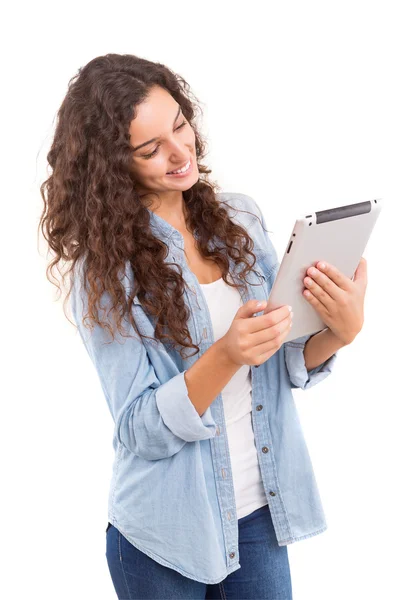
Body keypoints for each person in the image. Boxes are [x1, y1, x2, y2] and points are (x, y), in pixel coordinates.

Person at [39, 53, 366, 600]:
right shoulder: (103, 271)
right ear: (112, 165)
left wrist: (340, 331)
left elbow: (283, 362)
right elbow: (138, 428)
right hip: (164, 535)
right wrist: (226, 354)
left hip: (258, 514)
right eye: (150, 149)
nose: (179, 153)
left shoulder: (240, 220)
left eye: (180, 127)